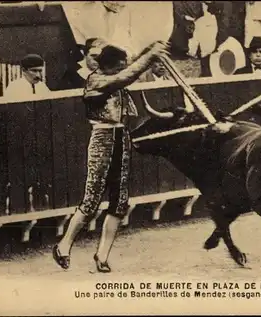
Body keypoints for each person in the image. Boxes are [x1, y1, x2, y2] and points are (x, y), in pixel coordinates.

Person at [52, 41, 170, 273]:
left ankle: (102, 255)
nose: (124, 70)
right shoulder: (96, 80)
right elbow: (124, 77)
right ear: (108, 66)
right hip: (102, 139)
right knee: (92, 199)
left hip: (121, 138)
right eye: (120, 67)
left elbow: (130, 69)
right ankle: (63, 246)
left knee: (120, 201)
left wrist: (150, 48)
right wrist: (149, 57)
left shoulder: (112, 75)